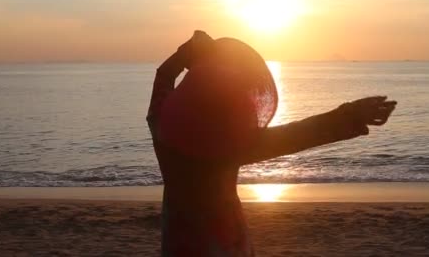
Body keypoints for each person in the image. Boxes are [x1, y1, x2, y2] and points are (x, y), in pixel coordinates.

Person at [147, 31, 397, 256]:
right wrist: (351, 115)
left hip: (179, 243)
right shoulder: (228, 144)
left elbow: (163, 76)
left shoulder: (161, 126)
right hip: (227, 243)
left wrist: (186, 53)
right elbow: (298, 135)